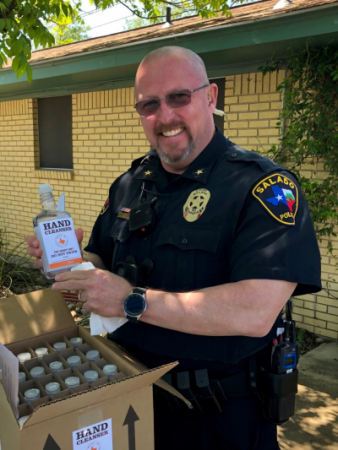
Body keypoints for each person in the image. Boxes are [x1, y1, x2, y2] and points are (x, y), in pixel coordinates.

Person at [26, 46, 321, 450]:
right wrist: (69, 262)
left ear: (210, 97)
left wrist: (131, 300)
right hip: (128, 400)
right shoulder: (131, 183)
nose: (164, 117)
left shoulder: (262, 188)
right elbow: (99, 259)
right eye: (149, 104)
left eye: (179, 97)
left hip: (217, 419)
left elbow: (255, 310)